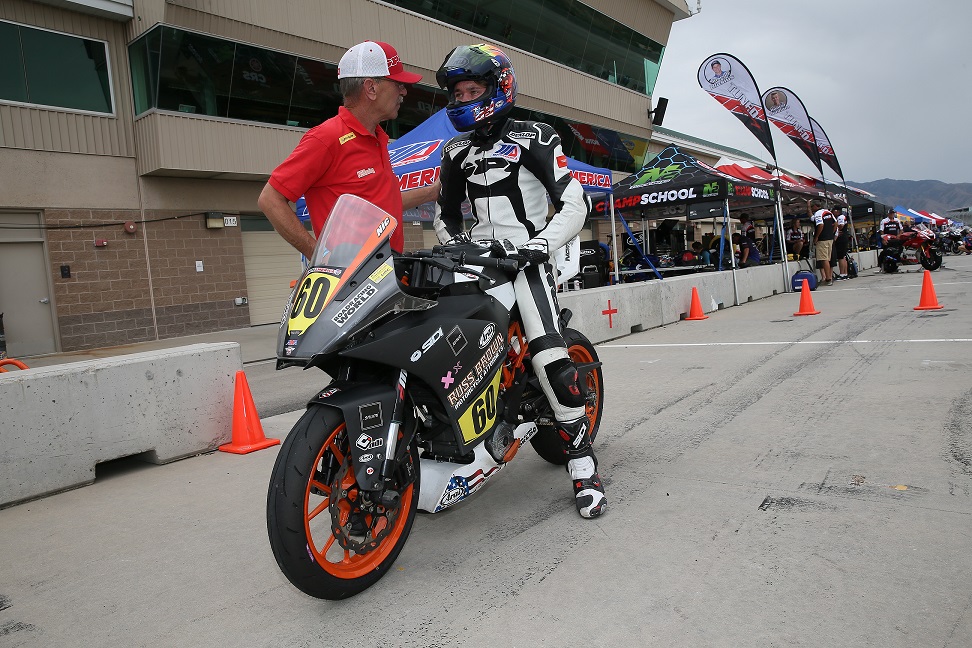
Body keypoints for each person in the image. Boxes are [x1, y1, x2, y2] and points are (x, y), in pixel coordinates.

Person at [433, 43, 605, 519]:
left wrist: (539, 247)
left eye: (473, 89)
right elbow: (444, 217)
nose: (464, 98)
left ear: (498, 87)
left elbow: (575, 203)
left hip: (529, 261)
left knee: (549, 355)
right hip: (477, 264)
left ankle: (583, 464)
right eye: (458, 92)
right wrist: (456, 245)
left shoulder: (537, 136)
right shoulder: (453, 151)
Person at [257, 41, 439, 257]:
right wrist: (320, 257)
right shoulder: (326, 138)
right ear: (371, 88)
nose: (404, 92)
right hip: (352, 281)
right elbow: (269, 199)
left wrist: (432, 192)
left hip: (386, 274)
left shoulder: (378, 137)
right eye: (397, 84)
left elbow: (382, 203)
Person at [809, 199, 836, 285]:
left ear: (816, 206)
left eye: (812, 207)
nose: (812, 209)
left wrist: (816, 237)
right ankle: (829, 277)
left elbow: (820, 225)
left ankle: (828, 279)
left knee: (824, 259)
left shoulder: (818, 214)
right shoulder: (828, 212)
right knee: (827, 258)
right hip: (830, 239)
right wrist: (831, 232)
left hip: (822, 239)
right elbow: (835, 223)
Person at [832, 207, 850, 280]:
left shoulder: (841, 217)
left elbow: (841, 225)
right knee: (843, 257)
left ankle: (842, 274)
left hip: (841, 239)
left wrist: (835, 228)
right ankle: (845, 273)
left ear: (837, 211)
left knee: (840, 257)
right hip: (844, 238)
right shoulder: (842, 217)